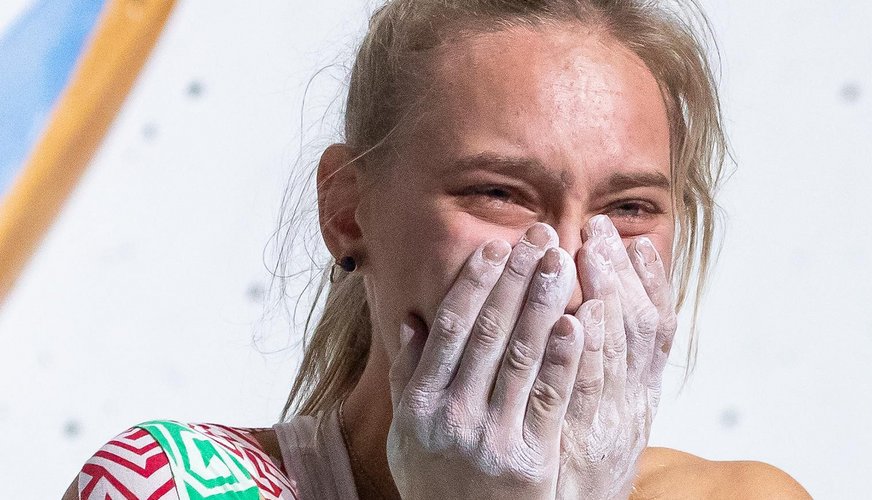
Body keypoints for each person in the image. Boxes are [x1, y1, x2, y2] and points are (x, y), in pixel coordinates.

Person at [65, 0, 812, 498]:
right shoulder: (171, 484)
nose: (566, 273)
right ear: (347, 211)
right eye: (501, 194)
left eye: (629, 209)